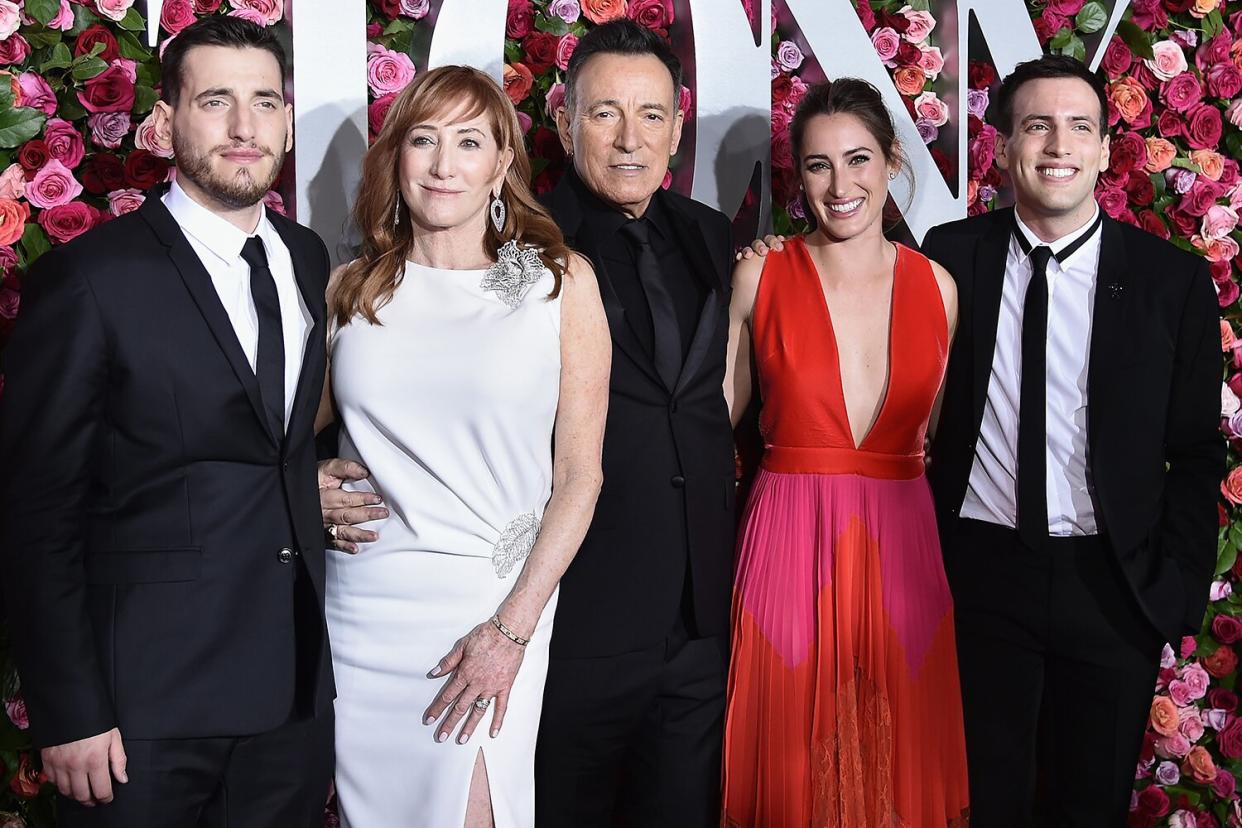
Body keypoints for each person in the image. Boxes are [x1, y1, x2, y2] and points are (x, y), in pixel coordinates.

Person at [0, 16, 334, 826]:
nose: (245, 127)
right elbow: (36, 513)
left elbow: (277, 448)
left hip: (289, 709)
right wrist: (71, 709)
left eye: (265, 101)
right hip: (140, 717)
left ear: (288, 119)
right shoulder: (90, 281)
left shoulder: (310, 259)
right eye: (216, 100)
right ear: (166, 121)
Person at [921, 55, 1223, 824]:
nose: (1058, 144)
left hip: (1111, 586)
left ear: (1100, 147)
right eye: (1037, 125)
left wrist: (1176, 590)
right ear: (1007, 143)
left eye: (1078, 126)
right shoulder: (950, 255)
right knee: (982, 802)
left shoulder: (1170, 280)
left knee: (1086, 806)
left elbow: (1194, 452)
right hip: (980, 575)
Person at [317, 65, 610, 827]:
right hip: (362, 613)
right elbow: (277, 440)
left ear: (501, 164)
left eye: (469, 142)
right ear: (397, 158)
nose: (444, 165)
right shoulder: (351, 288)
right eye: (424, 140)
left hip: (491, 612)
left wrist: (511, 629)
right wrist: (306, 481)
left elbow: (580, 478)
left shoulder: (560, 284)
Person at [721, 78, 969, 826]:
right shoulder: (761, 272)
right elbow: (704, 427)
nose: (840, 184)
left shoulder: (941, 288)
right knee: (790, 771)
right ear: (799, 177)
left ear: (892, 162)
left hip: (903, 545)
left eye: (858, 159)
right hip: (788, 537)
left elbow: (940, 440)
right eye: (818, 165)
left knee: (895, 770)